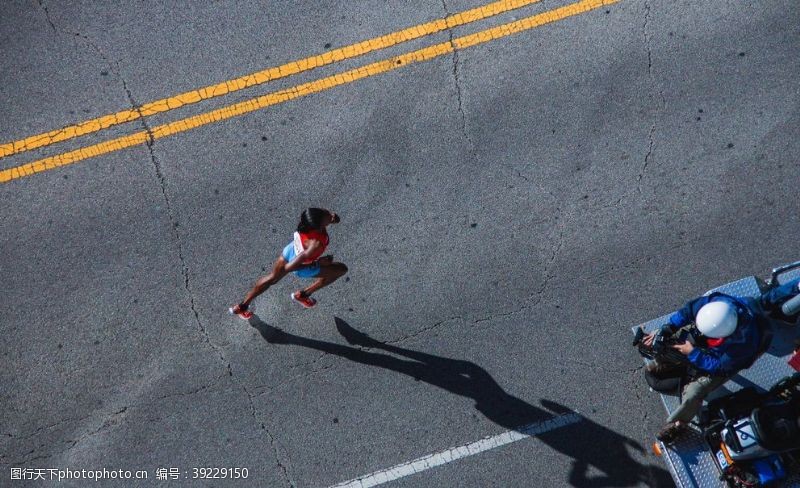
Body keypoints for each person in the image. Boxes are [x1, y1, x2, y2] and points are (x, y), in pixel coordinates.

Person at [643, 292, 763, 443]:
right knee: (659, 342)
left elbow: (721, 368)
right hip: (704, 342)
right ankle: (667, 362)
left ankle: (678, 423)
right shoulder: (714, 306)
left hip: (718, 361)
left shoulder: (744, 342)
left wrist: (694, 354)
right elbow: (688, 311)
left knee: (694, 393)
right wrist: (667, 328)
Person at [229, 208, 347, 319]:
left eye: (326, 212)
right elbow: (290, 267)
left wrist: (331, 220)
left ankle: (242, 307)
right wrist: (318, 263)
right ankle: (303, 295)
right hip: (301, 265)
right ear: (318, 226)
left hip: (290, 250)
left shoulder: (308, 221)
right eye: (327, 216)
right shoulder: (314, 245)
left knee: (272, 278)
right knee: (341, 270)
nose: (330, 215)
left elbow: (326, 219)